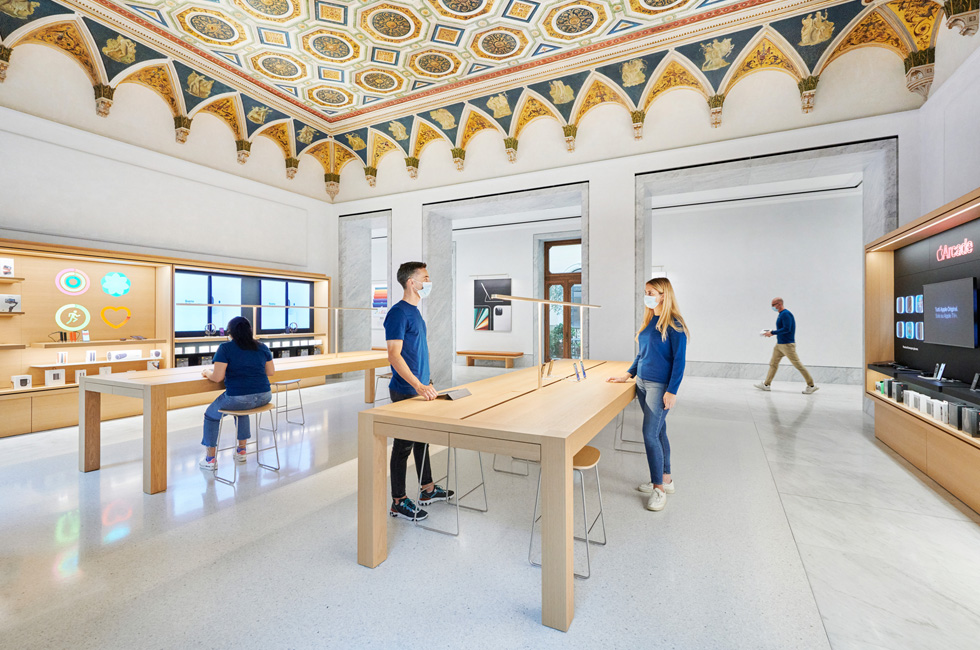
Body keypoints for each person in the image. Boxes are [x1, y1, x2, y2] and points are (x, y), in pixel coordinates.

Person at [608, 277, 688, 512]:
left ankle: (658, 489)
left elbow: (679, 361)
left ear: (663, 295)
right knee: (659, 431)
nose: (647, 296)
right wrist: (628, 375)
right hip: (642, 383)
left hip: (658, 386)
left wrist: (672, 391)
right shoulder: (649, 320)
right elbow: (641, 354)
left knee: (649, 434)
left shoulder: (675, 325)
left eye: (651, 292)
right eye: (646, 292)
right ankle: (666, 479)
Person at [385, 261, 453, 521]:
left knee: (422, 439)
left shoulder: (415, 312)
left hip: (422, 387)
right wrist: (417, 384)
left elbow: (417, 353)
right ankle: (398, 501)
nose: (428, 282)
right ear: (411, 282)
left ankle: (427, 489)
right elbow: (394, 355)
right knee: (403, 446)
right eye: (425, 278)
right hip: (405, 390)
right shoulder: (398, 313)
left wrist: (427, 381)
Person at [199, 316, 275, 470]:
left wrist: (207, 372)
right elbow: (270, 372)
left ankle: (210, 459)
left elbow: (217, 377)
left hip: (239, 397)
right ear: (249, 331)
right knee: (242, 411)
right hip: (265, 396)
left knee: (211, 416)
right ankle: (241, 451)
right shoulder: (262, 347)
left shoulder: (225, 348)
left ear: (231, 332)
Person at [755, 297, 819, 394]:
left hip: (787, 345)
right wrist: (771, 333)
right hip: (779, 345)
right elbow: (782, 329)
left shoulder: (786, 314)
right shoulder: (781, 314)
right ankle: (766, 385)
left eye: (773, 305)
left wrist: (772, 332)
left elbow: (787, 329)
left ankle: (811, 386)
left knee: (798, 365)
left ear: (779, 304)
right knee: (773, 364)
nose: (772, 307)